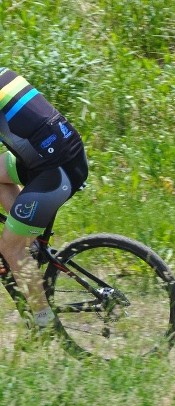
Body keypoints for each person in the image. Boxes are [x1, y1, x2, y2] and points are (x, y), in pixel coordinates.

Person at [0, 67, 88, 332]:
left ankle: (44, 325)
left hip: (56, 171)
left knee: (10, 250)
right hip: (52, 159)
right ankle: (26, 238)